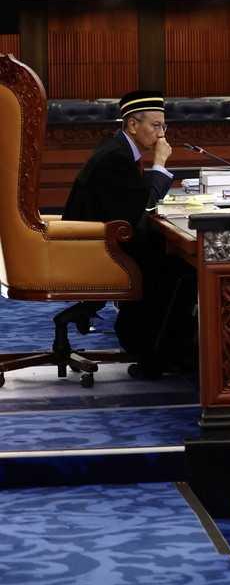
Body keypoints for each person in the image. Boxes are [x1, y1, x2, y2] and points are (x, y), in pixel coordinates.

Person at [62, 90, 196, 377]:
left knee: (170, 257)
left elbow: (133, 204)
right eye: (156, 126)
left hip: (101, 241)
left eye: (164, 126)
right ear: (133, 125)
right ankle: (155, 355)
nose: (162, 135)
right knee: (179, 267)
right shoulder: (116, 157)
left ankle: (165, 348)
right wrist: (160, 165)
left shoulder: (119, 150)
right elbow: (142, 207)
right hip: (93, 251)